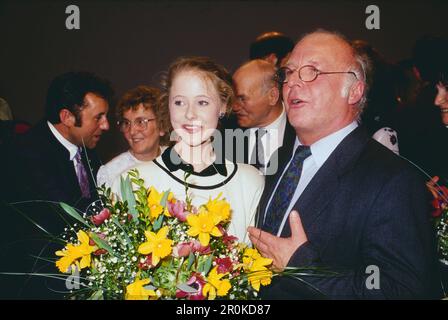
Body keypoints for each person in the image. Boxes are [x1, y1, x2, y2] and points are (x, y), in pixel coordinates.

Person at [247, 29, 440, 299]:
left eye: (312, 71)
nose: (293, 83)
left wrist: (302, 268)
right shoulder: (280, 160)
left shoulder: (393, 180)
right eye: (289, 72)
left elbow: (403, 291)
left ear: (354, 91)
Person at [112, 56, 264, 244]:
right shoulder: (132, 182)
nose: (190, 114)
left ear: (223, 106)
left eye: (202, 102)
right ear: (168, 105)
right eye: (179, 102)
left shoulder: (250, 181)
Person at [3, 72, 113, 212]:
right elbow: (63, 216)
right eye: (98, 118)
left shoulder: (86, 146)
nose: (106, 126)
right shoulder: (26, 155)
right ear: (67, 117)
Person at [97, 86, 169, 187]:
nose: (132, 131)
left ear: (161, 126)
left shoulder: (177, 160)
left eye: (140, 122)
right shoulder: (111, 173)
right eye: (126, 123)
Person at [231, 59, 296, 173]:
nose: (235, 107)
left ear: (272, 96)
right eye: (234, 98)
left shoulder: (302, 132)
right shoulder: (222, 131)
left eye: (242, 98)